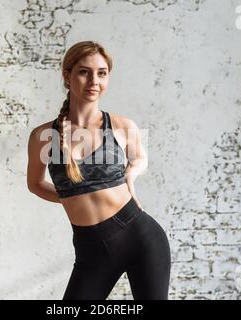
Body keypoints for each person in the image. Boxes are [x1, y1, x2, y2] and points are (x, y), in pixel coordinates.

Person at [27, 40, 171, 300]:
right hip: (91, 249)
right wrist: (72, 196)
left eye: (102, 73)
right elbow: (35, 184)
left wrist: (129, 177)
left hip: (140, 236)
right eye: (84, 71)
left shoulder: (121, 125)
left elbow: (140, 159)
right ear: (67, 76)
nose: (94, 80)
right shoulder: (44, 136)